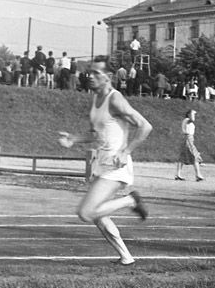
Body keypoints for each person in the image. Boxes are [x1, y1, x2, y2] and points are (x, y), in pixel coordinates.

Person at [57, 57, 152, 266]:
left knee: (86, 213)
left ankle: (131, 201)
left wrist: (126, 151)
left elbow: (145, 126)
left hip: (116, 167)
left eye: (96, 73)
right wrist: (74, 139)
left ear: (108, 77)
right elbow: (96, 134)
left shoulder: (115, 99)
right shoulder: (95, 99)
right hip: (102, 164)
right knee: (99, 215)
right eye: (89, 72)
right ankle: (126, 256)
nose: (90, 76)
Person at [174, 109, 205, 181]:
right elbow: (192, 119)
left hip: (188, 139)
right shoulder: (187, 119)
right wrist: (192, 112)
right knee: (194, 156)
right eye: (192, 114)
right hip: (188, 138)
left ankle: (178, 174)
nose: (194, 116)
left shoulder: (187, 121)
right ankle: (198, 175)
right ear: (188, 115)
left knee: (182, 157)